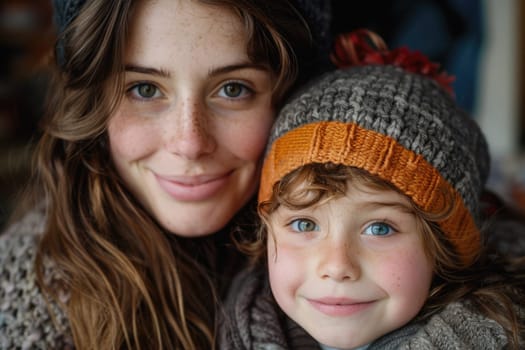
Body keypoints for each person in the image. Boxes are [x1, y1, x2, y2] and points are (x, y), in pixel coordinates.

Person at [0, 0, 333, 349]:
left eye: (233, 89)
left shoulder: (360, 257)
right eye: (145, 89)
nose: (189, 143)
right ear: (91, 102)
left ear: (295, 97)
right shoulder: (25, 306)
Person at [219, 30, 525, 349]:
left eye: (379, 228)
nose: (337, 267)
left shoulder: (501, 333)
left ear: (444, 248)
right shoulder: (238, 323)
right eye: (304, 224)